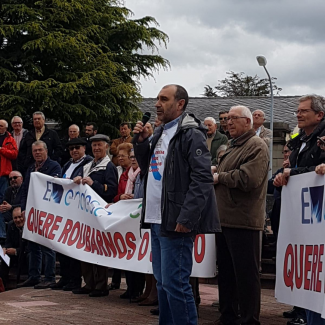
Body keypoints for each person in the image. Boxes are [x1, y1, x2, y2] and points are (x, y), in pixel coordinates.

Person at [133, 84, 220, 325]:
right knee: (163, 283)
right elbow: (148, 169)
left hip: (175, 220)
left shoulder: (190, 133)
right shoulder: (161, 133)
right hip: (157, 219)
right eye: (156, 99)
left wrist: (187, 217)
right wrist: (141, 143)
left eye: (163, 99)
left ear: (180, 104)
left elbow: (202, 179)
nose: (157, 104)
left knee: (176, 284)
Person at [213, 105, 269, 325]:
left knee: (246, 275)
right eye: (227, 119)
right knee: (226, 273)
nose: (228, 123)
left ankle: (248, 319)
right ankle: (227, 314)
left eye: (233, 118)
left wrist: (220, 177)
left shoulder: (257, 146)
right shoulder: (233, 146)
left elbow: (249, 179)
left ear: (248, 122)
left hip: (244, 220)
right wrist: (216, 170)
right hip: (224, 218)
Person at [274, 95, 325, 325]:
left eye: (303, 111)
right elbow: (292, 169)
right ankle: (305, 314)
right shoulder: (298, 141)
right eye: (297, 111)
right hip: (302, 220)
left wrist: (291, 174)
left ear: (319, 115)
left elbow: (314, 170)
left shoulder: (321, 139)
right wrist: (279, 177)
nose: (298, 114)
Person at [72, 134, 118, 297]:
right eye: (94, 145)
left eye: (99, 145)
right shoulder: (87, 165)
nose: (96, 148)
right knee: (86, 247)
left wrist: (94, 184)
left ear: (106, 147)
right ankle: (89, 282)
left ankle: (101, 285)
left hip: (100, 213)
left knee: (98, 249)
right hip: (86, 213)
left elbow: (112, 190)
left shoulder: (109, 166)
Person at [49, 138, 93, 291]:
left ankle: (75, 279)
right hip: (65, 209)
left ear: (84, 148)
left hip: (78, 210)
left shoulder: (88, 163)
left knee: (74, 246)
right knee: (62, 245)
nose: (74, 151)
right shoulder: (67, 164)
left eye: (77, 147)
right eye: (71, 148)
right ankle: (65, 277)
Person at [18, 140, 61, 289]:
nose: (37, 153)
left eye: (39, 150)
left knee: (47, 246)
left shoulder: (54, 166)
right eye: (34, 151)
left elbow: (55, 188)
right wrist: (23, 208)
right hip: (31, 212)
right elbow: (24, 190)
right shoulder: (30, 168)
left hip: (46, 211)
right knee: (33, 245)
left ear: (46, 151)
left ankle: (49, 277)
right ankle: (34, 276)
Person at [112, 148, 145, 300]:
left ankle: (138, 288)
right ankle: (130, 288)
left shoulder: (142, 173)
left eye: (135, 156)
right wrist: (121, 197)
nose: (133, 159)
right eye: (131, 157)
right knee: (128, 252)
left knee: (137, 253)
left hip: (138, 217)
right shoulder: (125, 175)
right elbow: (116, 194)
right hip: (126, 217)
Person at [18, 111, 63, 176]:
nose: (36, 120)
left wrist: (51, 159)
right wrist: (25, 162)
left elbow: (59, 149)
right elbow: (22, 150)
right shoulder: (28, 134)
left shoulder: (52, 134)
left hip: (47, 167)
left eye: (39, 119)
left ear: (43, 120)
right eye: (35, 119)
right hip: (31, 167)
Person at [0, 206, 28, 290]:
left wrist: (16, 251)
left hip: (25, 255)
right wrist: (5, 249)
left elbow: (29, 248)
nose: (18, 220)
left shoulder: (28, 227)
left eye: (20, 217)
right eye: (15, 218)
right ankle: (2, 284)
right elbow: (8, 242)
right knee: (4, 257)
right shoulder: (11, 225)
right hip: (14, 256)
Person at [0, 120, 18, 244]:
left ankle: (2, 234)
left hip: (3, 174)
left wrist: (1, 149)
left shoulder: (9, 139)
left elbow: (14, 154)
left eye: (0, 126)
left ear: (5, 128)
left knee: (2, 204)